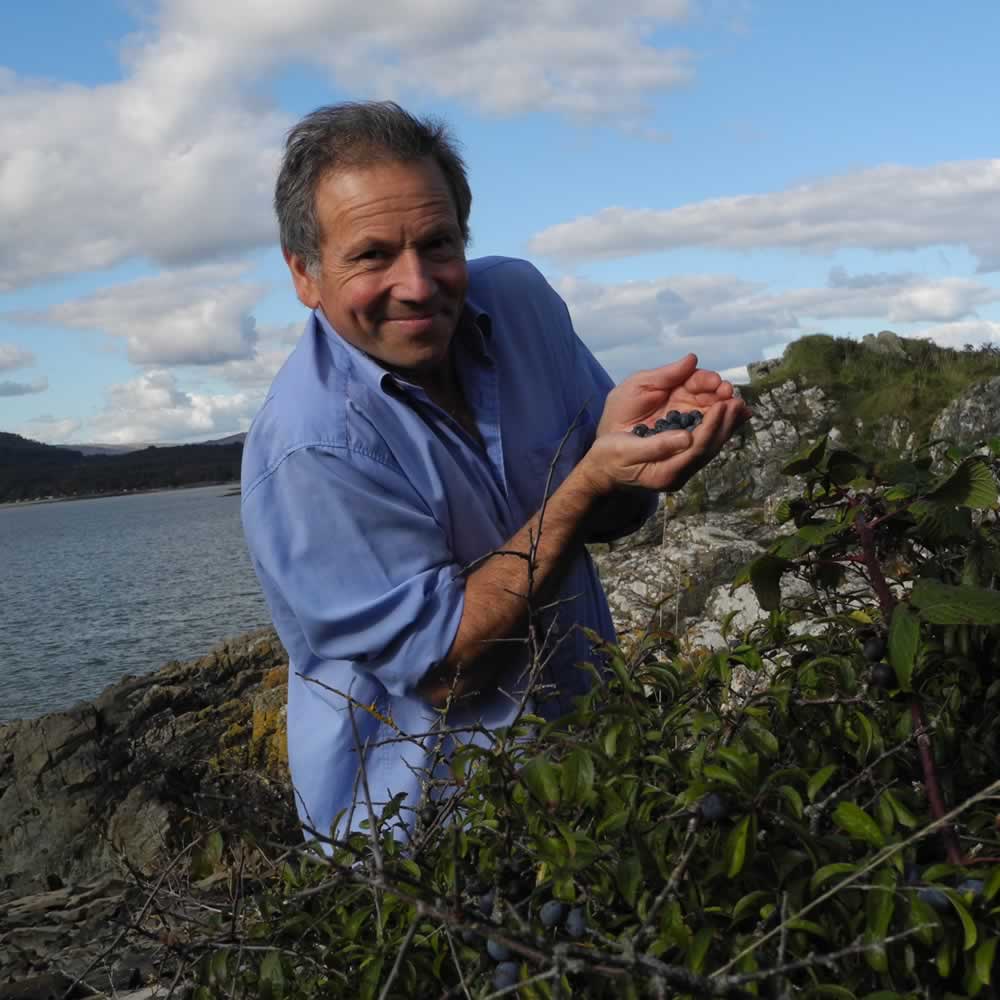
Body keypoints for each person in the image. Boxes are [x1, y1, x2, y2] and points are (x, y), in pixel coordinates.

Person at [240, 101, 751, 842]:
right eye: (372, 254)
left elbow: (597, 521)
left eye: (438, 243)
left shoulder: (519, 305)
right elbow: (447, 668)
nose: (418, 284)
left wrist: (633, 460)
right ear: (304, 274)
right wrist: (586, 483)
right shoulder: (313, 446)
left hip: (597, 769)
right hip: (433, 843)